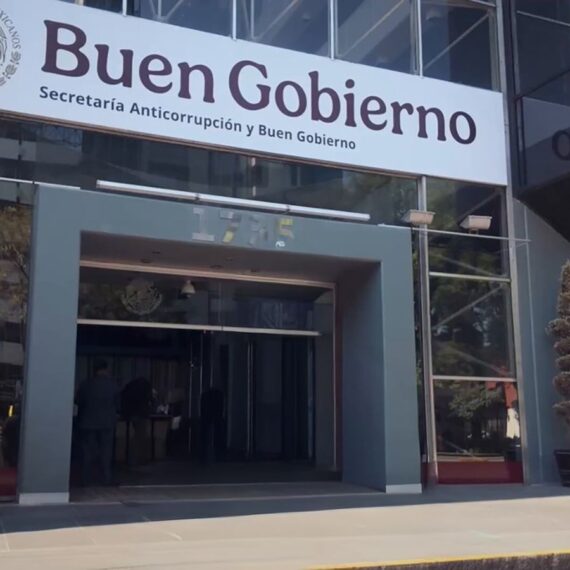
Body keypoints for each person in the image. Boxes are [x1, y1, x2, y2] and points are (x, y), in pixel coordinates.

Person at [76, 360, 119, 486]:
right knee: (106, 452)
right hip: (107, 423)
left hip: (87, 422)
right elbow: (118, 404)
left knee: (87, 452)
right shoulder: (112, 385)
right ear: (106, 369)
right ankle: (106, 478)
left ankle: (86, 479)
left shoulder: (86, 384)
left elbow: (78, 401)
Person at [121, 376, 153, 466]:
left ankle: (134, 459)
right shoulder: (145, 389)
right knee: (140, 436)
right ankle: (136, 459)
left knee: (137, 436)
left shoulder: (130, 389)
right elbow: (150, 400)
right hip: (141, 414)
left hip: (132, 414)